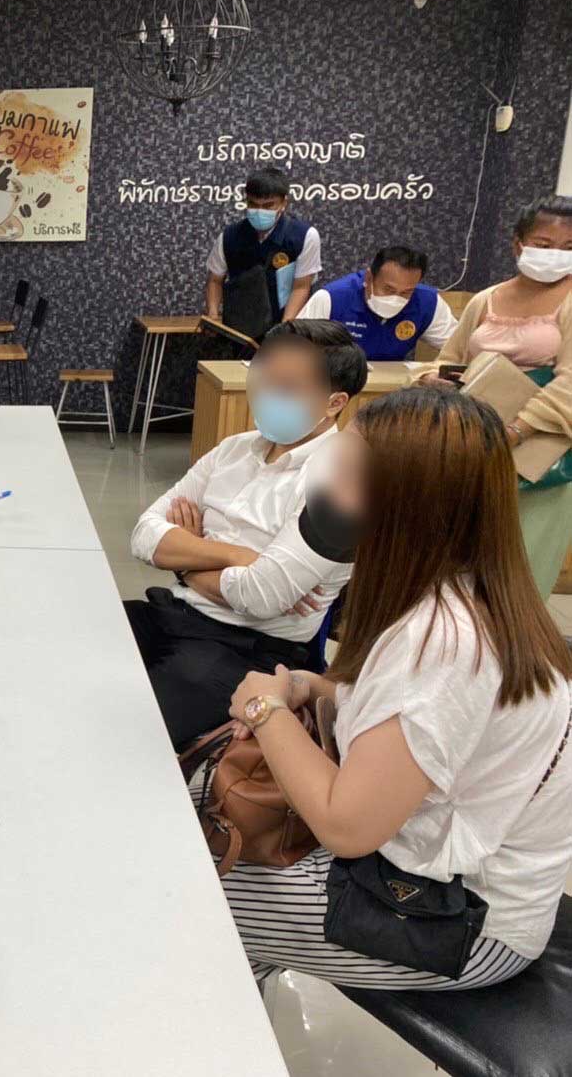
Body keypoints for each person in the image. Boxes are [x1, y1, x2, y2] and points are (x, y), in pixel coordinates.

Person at [217, 386, 572, 990]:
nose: (325, 490)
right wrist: (314, 687)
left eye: (349, 476)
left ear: (412, 504)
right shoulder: (465, 593)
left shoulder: (444, 644)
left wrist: (264, 707)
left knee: (184, 880)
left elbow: (346, 826)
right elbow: (415, 729)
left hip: (458, 921)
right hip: (430, 876)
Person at [127, 320, 367, 748]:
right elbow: (144, 535)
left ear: (334, 403)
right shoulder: (235, 449)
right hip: (175, 613)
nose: (268, 394)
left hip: (250, 649)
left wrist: (186, 561)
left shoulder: (336, 483)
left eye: (286, 387)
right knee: (81, 642)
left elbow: (260, 598)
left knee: (135, 733)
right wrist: (238, 555)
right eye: (264, 379)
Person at [432, 194, 572, 598]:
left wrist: (516, 430)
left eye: (568, 247)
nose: (555, 255)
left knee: (521, 567)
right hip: (471, 443)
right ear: (518, 244)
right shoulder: (485, 299)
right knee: (456, 559)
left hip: (538, 451)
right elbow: (449, 359)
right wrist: (433, 380)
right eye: (544, 244)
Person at [205, 167, 322, 326]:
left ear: (284, 203)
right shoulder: (228, 237)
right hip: (241, 325)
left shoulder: (305, 236)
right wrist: (212, 316)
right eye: (253, 204)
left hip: (287, 323)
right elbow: (214, 280)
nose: (260, 211)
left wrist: (284, 329)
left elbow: (301, 287)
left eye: (268, 206)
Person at [299, 245, 458, 359]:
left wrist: (430, 373)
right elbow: (295, 348)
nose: (395, 298)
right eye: (388, 289)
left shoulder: (428, 302)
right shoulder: (332, 298)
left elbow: (459, 349)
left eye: (406, 292)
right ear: (369, 278)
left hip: (392, 388)